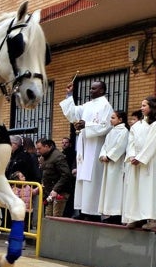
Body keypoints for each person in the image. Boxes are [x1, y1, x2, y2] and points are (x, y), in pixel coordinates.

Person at [59, 80, 113, 222]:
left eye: (94, 89)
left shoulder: (106, 106)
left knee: (93, 179)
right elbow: (73, 114)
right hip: (84, 145)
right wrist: (69, 95)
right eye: (90, 88)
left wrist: (86, 124)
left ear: (102, 90)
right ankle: (82, 209)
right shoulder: (88, 105)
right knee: (82, 177)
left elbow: (106, 126)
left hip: (96, 147)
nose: (91, 91)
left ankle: (93, 211)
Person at [122, 97, 156, 229]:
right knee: (135, 189)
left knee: (149, 189)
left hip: (149, 160)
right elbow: (131, 142)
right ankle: (136, 217)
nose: (142, 108)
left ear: (151, 107)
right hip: (135, 161)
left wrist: (140, 158)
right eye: (141, 105)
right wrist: (132, 156)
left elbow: (153, 143)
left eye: (144, 105)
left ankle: (152, 219)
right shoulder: (137, 125)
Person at [97, 110, 129, 224]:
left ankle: (117, 214)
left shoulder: (124, 131)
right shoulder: (111, 132)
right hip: (108, 165)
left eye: (113, 118)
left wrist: (109, 156)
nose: (110, 120)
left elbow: (121, 146)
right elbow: (105, 145)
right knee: (108, 189)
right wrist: (102, 155)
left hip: (117, 165)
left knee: (116, 189)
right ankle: (109, 213)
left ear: (120, 120)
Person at [35, 138, 73, 218]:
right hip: (49, 193)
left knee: (56, 217)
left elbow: (66, 174)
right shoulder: (44, 157)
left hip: (60, 192)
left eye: (39, 148)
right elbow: (45, 175)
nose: (38, 151)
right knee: (48, 216)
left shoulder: (58, 156)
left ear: (46, 146)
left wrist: (56, 189)